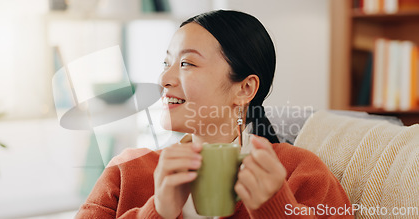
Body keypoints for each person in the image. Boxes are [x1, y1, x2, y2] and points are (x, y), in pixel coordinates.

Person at [76, 10, 352, 218]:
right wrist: (158, 211)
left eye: (186, 63)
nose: (163, 78)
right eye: (166, 62)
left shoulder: (299, 172)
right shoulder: (126, 171)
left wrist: (276, 207)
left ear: (245, 88)